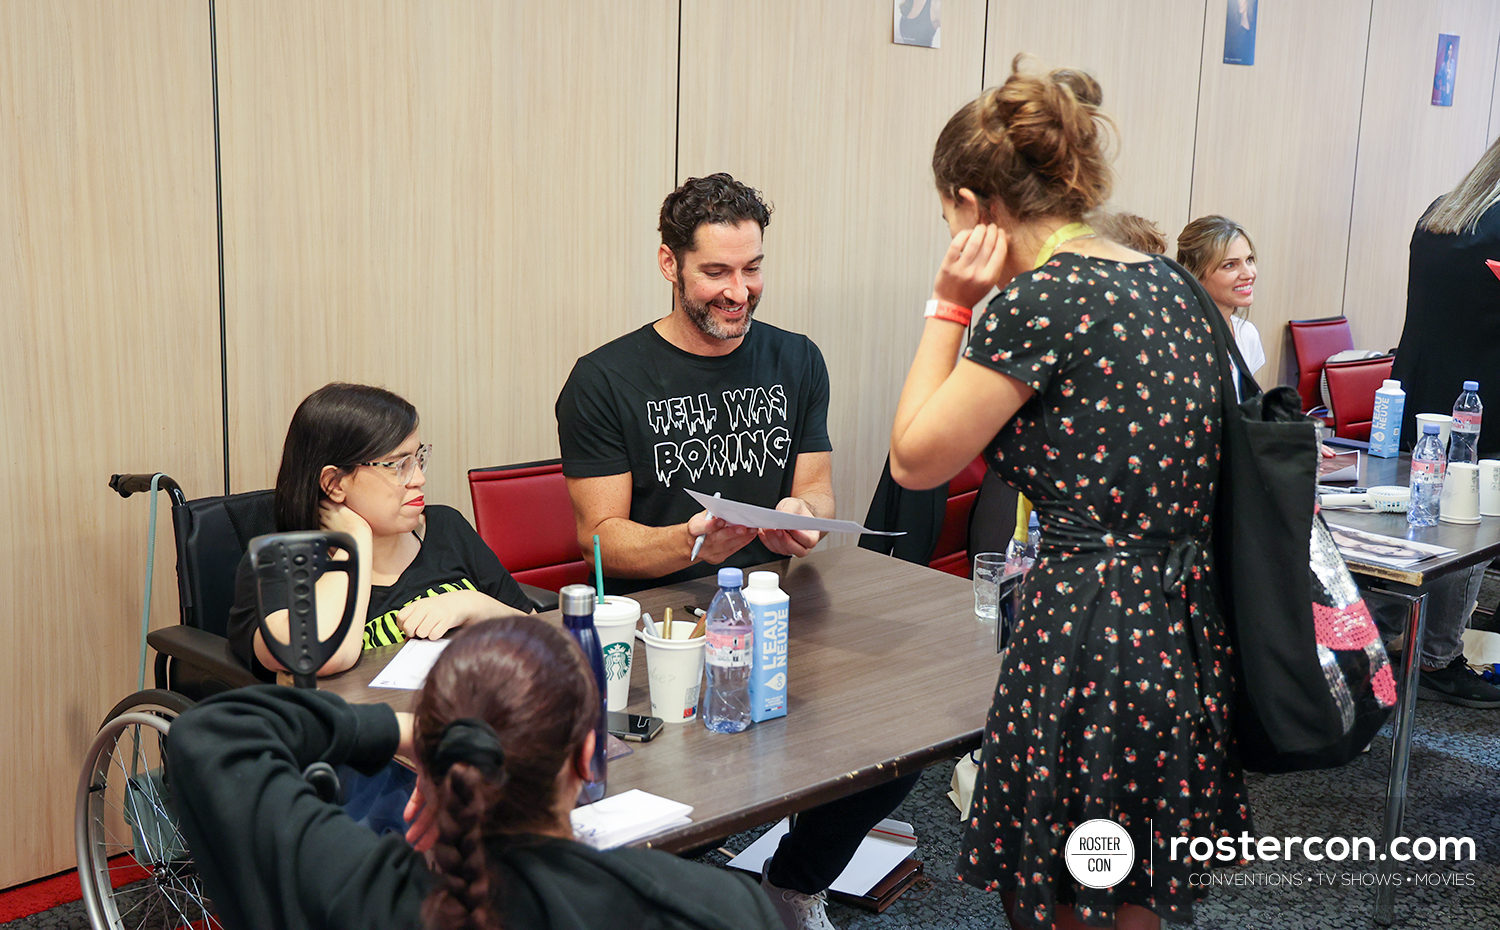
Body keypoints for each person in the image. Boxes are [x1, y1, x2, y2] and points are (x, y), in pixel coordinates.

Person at [889, 59, 1251, 929]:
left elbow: (914, 459)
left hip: (1088, 629)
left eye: (949, 216)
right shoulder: (1168, 284)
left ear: (976, 207)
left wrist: (948, 305)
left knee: (1056, 893)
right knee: (1137, 881)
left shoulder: (1041, 303)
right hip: (1185, 619)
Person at [556, 173, 915, 930]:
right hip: (667, 627)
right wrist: (691, 538)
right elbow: (599, 539)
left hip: (777, 608)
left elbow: (818, 492)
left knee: (901, 743)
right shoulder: (604, 380)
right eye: (717, 272)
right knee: (677, 822)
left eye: (752, 269)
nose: (739, 291)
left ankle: (793, 885)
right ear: (669, 264)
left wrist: (802, 518)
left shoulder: (795, 359)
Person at [167, 616, 783, 930]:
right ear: (586, 757)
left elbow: (211, 734)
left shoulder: (348, 891)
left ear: (432, 759)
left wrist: (399, 730)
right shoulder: (716, 909)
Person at [227, 382, 535, 682]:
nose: (418, 479)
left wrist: (471, 605)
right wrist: (354, 545)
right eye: (398, 465)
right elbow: (321, 657)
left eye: (418, 459)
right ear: (335, 484)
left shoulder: (446, 527)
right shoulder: (277, 564)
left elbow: (541, 640)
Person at [1381, 136, 1500, 708]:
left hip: (1418, 390)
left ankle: (1389, 642)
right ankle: (1438, 656)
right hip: (1481, 406)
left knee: (1419, 523)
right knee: (1470, 528)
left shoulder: (1441, 213)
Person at [1176, 215, 1264, 383]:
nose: (1249, 274)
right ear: (1195, 275)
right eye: (1230, 265)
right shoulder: (1178, 339)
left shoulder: (1247, 334)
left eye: (1249, 260)